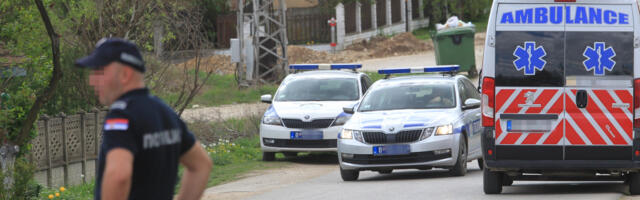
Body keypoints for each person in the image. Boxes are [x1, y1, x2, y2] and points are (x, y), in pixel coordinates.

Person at [75, 38, 213, 200]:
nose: (92, 81)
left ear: (125, 74)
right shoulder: (165, 112)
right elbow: (201, 164)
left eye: (100, 72)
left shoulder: (122, 116)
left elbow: (119, 175)